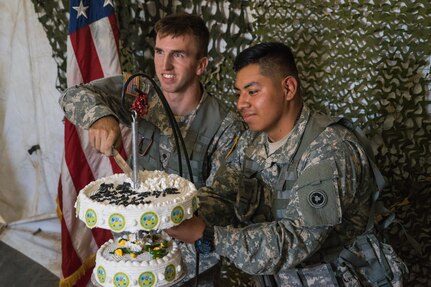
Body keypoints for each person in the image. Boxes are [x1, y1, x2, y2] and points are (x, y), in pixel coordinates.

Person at [166, 42, 385, 285]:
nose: (241, 103)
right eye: (239, 93)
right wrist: (176, 212)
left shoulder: (331, 149)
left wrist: (208, 235)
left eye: (252, 91)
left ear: (288, 88)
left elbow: (295, 242)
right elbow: (223, 197)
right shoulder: (252, 141)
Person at [59, 13, 245, 285]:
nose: (165, 65)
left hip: (190, 266)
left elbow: (223, 203)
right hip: (132, 256)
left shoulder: (225, 125)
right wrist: (100, 117)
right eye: (159, 52)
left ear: (201, 65)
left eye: (178, 55)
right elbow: (73, 95)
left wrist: (162, 211)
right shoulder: (140, 93)